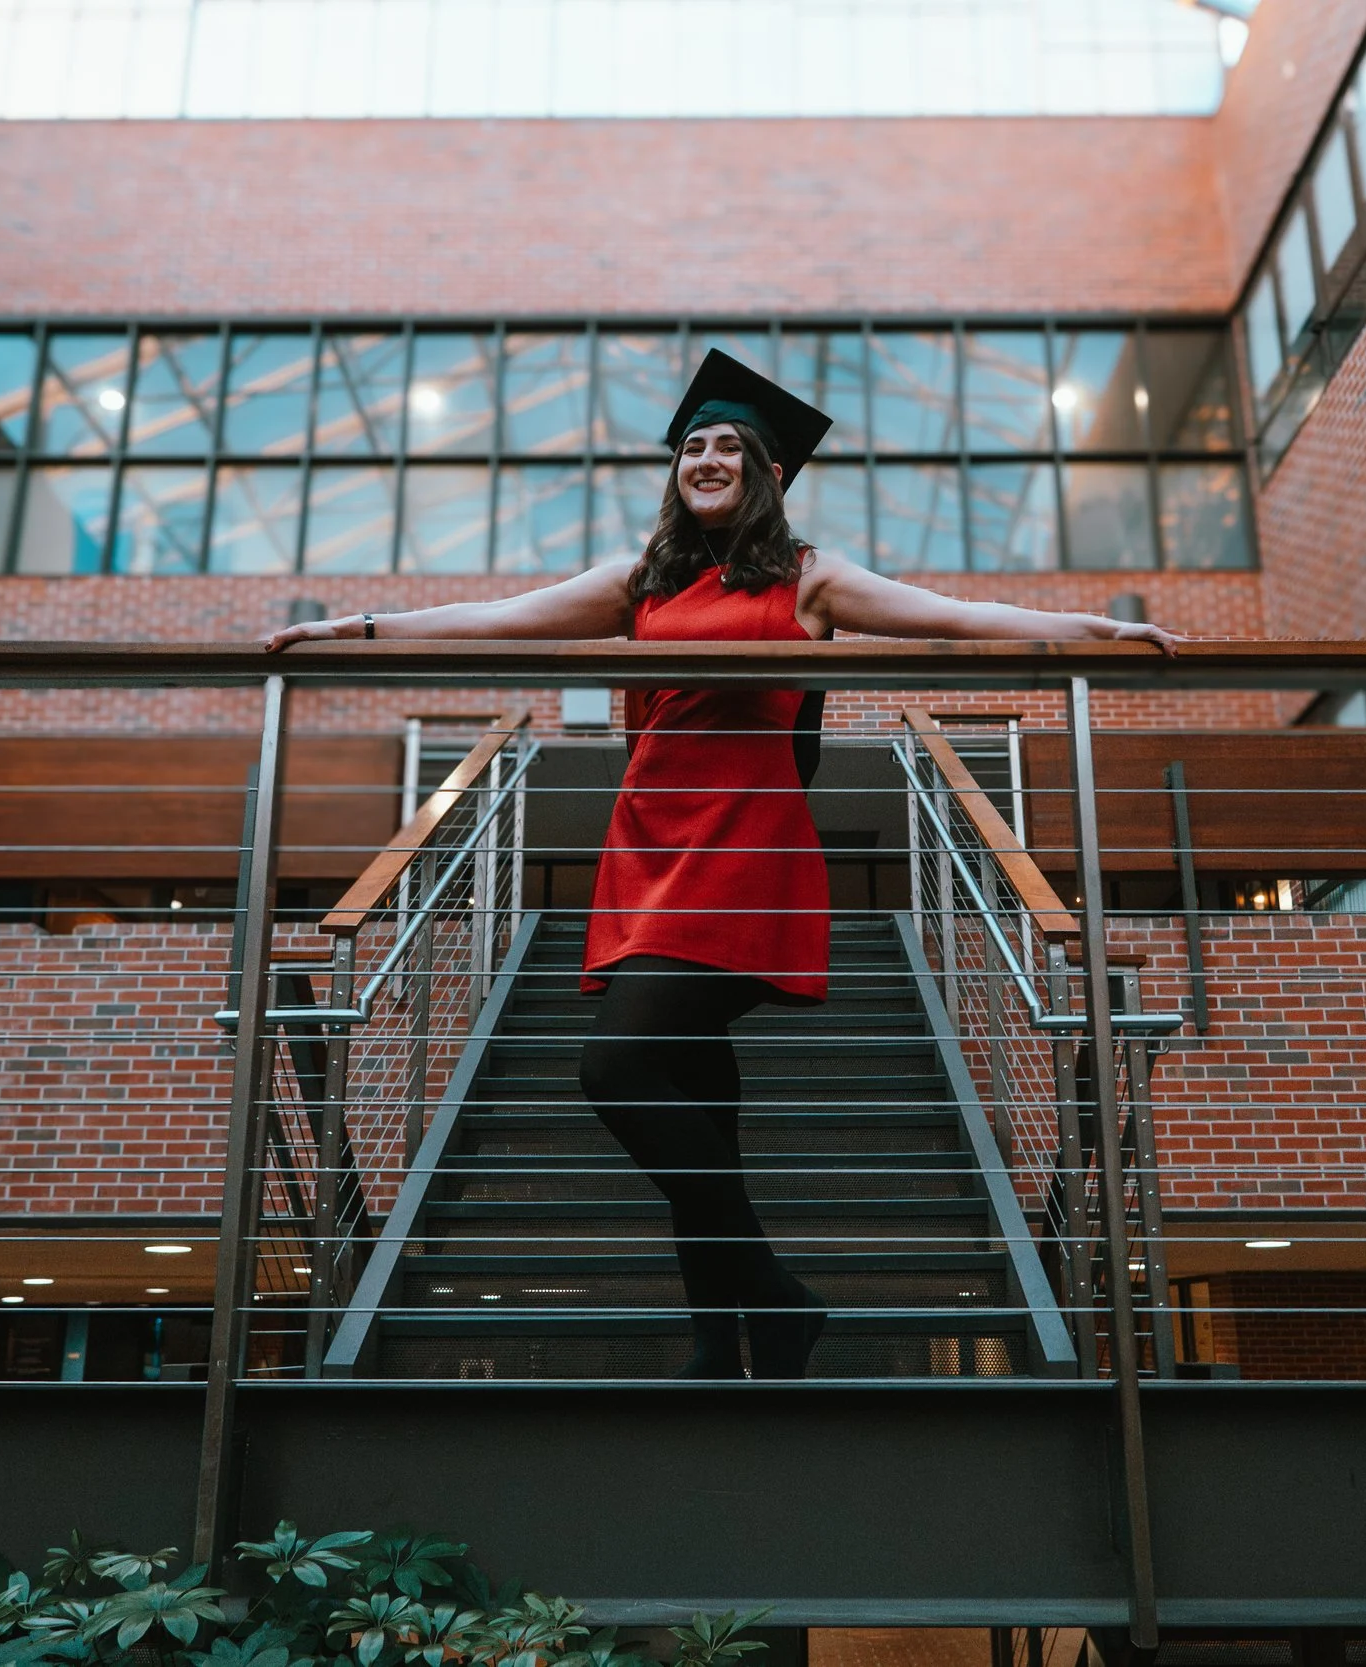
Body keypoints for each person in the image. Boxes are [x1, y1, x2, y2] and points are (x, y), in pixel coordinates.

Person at [267, 351, 1182, 1379]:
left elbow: (957, 616)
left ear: (769, 471)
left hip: (742, 851)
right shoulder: (641, 580)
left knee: (612, 1067)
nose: (704, 458)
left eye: (727, 446)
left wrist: (1095, 626)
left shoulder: (810, 578)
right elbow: (500, 615)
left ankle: (776, 1296)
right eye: (691, 446)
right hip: (647, 844)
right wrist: (356, 627)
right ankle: (729, 1343)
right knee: (701, 1116)